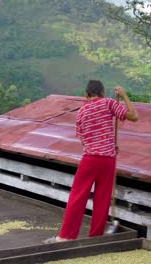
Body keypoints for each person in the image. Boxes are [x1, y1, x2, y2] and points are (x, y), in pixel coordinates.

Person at [44, 80, 138, 243]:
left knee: (78, 196)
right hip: (108, 160)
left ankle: (66, 236)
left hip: (90, 159)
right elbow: (134, 116)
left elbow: (85, 140)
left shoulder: (81, 112)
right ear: (102, 93)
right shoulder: (109, 103)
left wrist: (105, 144)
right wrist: (123, 96)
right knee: (102, 198)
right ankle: (95, 237)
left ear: (86, 95)